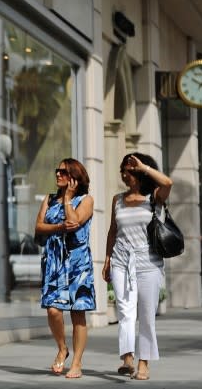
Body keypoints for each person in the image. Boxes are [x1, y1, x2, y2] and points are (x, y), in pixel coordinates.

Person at [102, 153, 173, 381]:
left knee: (146, 315)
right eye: (123, 170)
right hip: (121, 260)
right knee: (125, 312)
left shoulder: (154, 197)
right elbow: (113, 230)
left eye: (129, 171)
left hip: (148, 263)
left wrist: (143, 167)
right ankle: (127, 358)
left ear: (140, 173)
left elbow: (168, 182)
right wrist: (107, 259)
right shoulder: (117, 199)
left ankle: (144, 363)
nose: (124, 175)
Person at [34, 158, 95, 378]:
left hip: (78, 263)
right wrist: (59, 227)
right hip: (54, 262)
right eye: (57, 171)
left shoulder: (85, 200)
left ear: (74, 178)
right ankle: (62, 348)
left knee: (78, 313)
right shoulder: (49, 200)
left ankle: (76, 363)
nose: (58, 174)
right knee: (53, 310)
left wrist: (68, 199)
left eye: (63, 172)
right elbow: (39, 227)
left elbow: (75, 222)